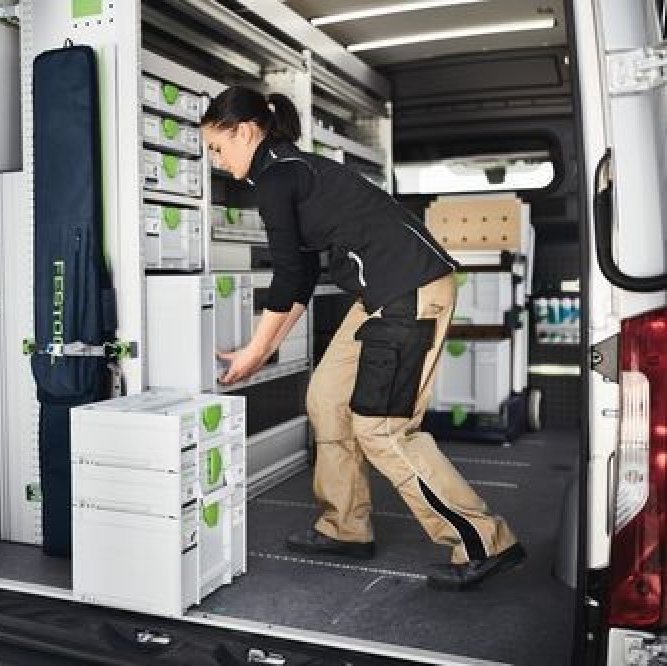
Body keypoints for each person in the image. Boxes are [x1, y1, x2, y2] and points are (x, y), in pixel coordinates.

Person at [201, 86, 525, 590]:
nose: (217, 161)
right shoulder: (286, 171)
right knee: (326, 398)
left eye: (217, 148)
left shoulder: (278, 176)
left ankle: (484, 540)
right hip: (382, 293)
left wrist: (256, 350)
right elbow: (302, 279)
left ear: (244, 132)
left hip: (409, 289)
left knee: (383, 429)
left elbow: (286, 278)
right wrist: (264, 348)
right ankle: (346, 526)